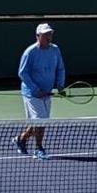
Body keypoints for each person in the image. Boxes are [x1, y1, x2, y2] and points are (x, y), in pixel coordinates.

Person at [15, 23, 66, 160]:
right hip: (31, 94)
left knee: (39, 122)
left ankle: (21, 139)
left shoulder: (55, 50)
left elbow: (60, 68)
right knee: (41, 121)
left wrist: (60, 85)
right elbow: (22, 73)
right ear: (38, 36)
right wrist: (36, 90)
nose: (48, 37)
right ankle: (39, 148)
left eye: (50, 34)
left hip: (47, 92)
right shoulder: (30, 52)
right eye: (45, 34)